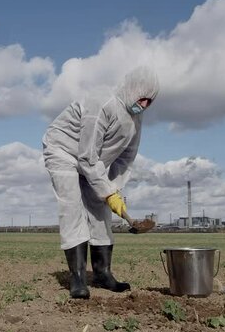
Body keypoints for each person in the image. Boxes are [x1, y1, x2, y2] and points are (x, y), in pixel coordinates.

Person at [42, 66, 159, 299]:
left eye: (150, 102)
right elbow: (86, 156)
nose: (144, 105)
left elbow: (126, 157)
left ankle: (103, 274)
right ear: (132, 90)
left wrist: (113, 191)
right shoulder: (102, 103)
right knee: (72, 206)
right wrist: (106, 190)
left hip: (94, 162)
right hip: (64, 151)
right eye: (142, 99)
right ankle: (77, 278)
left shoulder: (136, 117)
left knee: (101, 209)